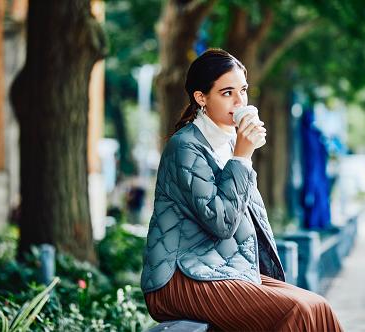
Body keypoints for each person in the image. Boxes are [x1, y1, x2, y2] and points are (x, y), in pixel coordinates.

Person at [141, 49, 342, 331]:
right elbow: (222, 222)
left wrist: (240, 155)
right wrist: (242, 158)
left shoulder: (228, 142)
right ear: (201, 98)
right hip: (181, 277)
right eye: (227, 93)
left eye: (243, 91)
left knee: (318, 307)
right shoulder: (185, 147)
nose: (239, 102)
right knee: (295, 310)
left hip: (223, 269)